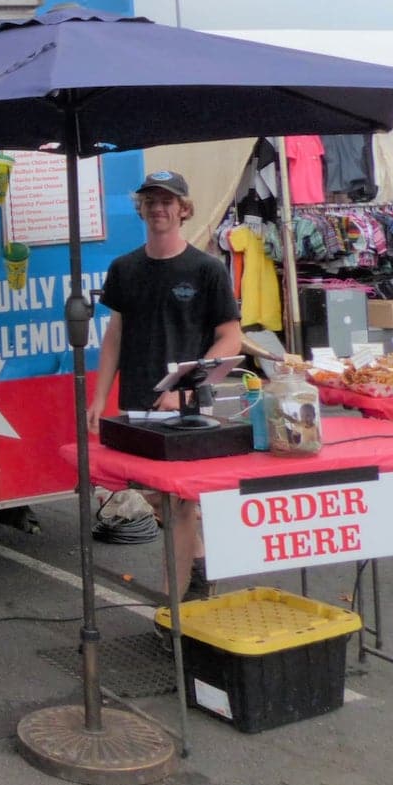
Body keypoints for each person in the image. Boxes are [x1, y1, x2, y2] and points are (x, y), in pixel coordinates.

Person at [87, 171, 242, 601]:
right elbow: (114, 336)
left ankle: (177, 604)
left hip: (187, 410)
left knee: (178, 502)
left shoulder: (207, 269)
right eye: (151, 200)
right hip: (137, 403)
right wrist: (99, 397)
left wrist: (187, 387)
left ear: (184, 209)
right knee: (156, 498)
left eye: (168, 201)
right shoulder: (125, 269)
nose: (159, 208)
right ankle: (199, 564)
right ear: (141, 208)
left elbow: (230, 336)